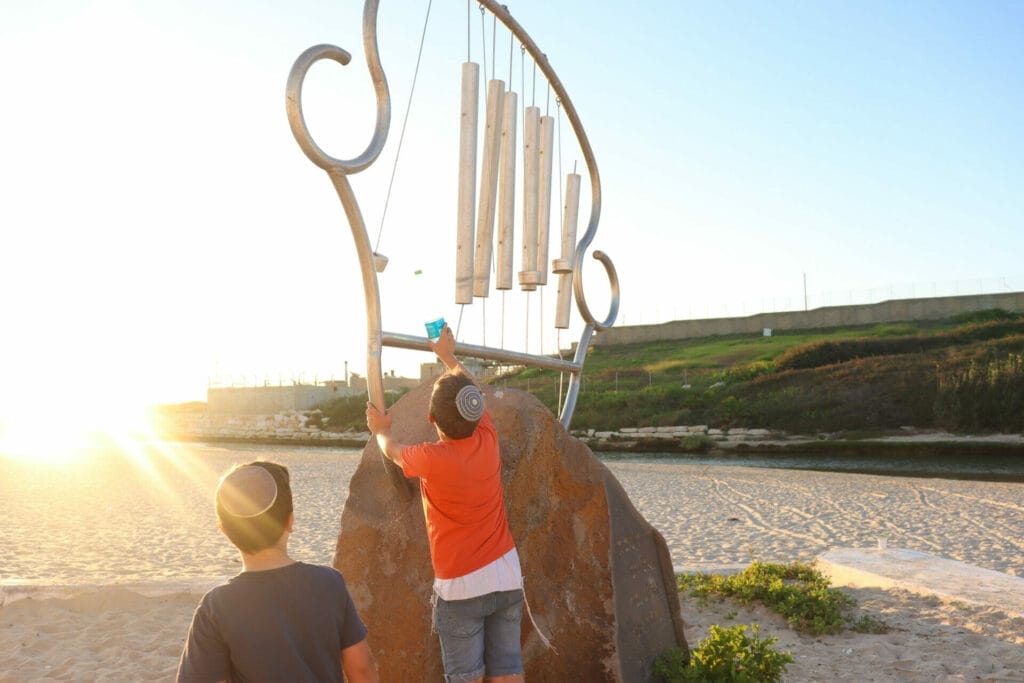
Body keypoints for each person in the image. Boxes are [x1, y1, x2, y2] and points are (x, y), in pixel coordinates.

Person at [366, 324, 525, 683]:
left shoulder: (431, 458)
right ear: (475, 413)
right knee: (508, 671)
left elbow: (392, 451)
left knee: (465, 676)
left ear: (432, 419)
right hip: (507, 574)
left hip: (462, 585)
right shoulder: (487, 437)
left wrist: (380, 429)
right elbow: (473, 393)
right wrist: (448, 357)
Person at [176, 460, 377, 683]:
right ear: (290, 522)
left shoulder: (216, 607)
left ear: (224, 531)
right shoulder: (329, 583)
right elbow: (362, 669)